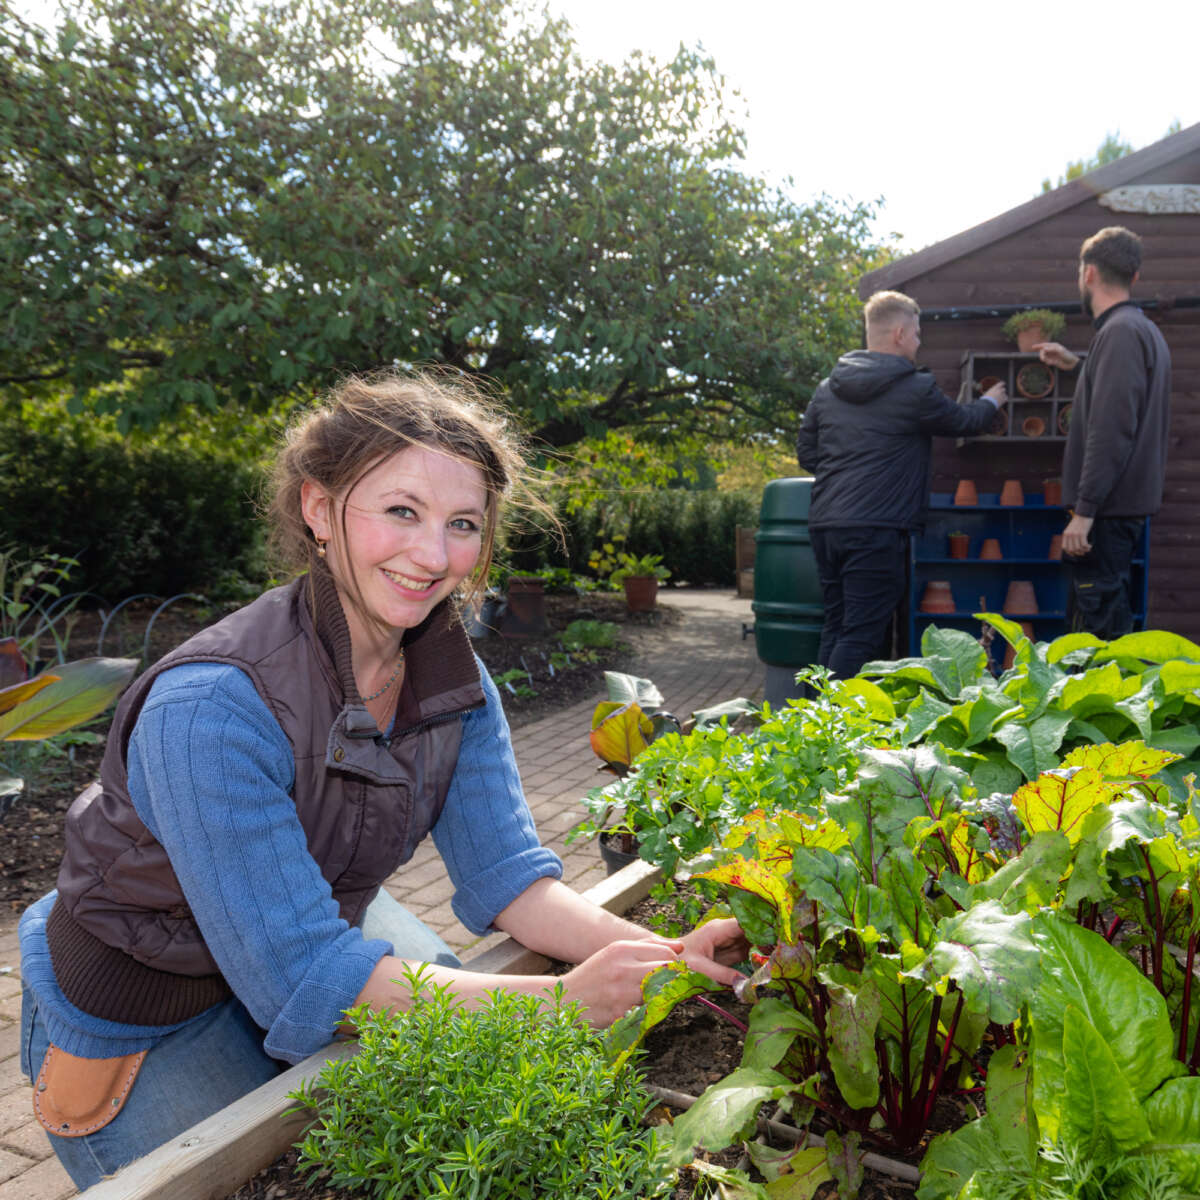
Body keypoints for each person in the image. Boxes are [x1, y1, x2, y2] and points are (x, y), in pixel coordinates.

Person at [18, 370, 749, 1189]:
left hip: (307, 932)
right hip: (149, 1002)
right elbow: (305, 977)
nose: (434, 556)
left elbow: (508, 878)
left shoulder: (448, 671)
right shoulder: (211, 704)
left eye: (462, 523)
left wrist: (666, 958)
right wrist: (563, 1004)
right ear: (320, 510)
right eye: (401, 510)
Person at [796, 290, 1007, 678]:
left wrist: (843, 473)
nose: (919, 341)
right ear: (898, 334)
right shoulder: (913, 388)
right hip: (875, 528)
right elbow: (961, 421)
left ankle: (813, 722)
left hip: (826, 525)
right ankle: (832, 726)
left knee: (837, 626)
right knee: (860, 635)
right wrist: (992, 401)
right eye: (917, 333)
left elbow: (807, 452)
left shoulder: (828, 389)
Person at [1034, 226, 1171, 639]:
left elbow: (1112, 430)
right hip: (1117, 511)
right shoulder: (1135, 331)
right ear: (1134, 278)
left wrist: (1085, 512)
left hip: (1105, 515)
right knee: (1098, 629)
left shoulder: (1120, 334)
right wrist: (1078, 364)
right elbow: (1123, 394)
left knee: (1095, 641)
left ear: (1089, 274)